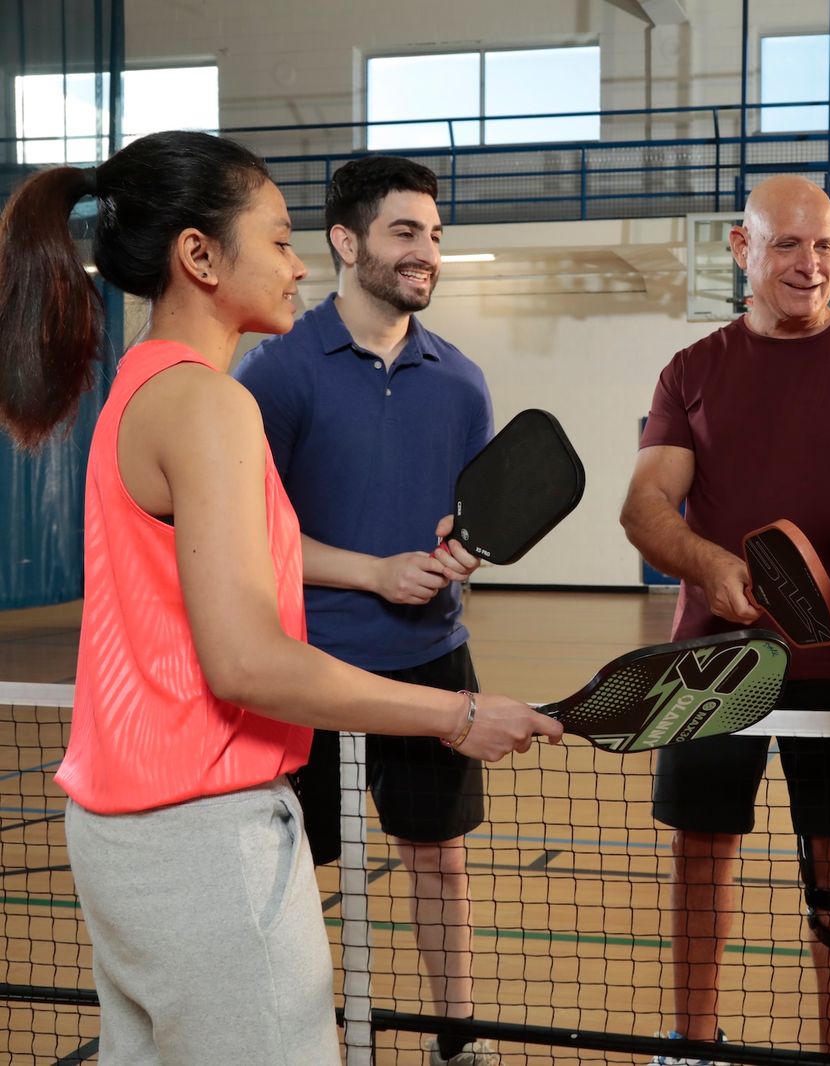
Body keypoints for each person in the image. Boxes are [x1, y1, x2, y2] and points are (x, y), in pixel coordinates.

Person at [0, 131, 560, 1066]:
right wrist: (457, 713)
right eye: (280, 238)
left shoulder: (144, 388)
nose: (299, 263)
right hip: (204, 842)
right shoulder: (210, 405)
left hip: (124, 831)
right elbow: (248, 662)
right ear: (200, 256)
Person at [619, 175, 830, 1064]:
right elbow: (646, 507)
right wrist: (711, 567)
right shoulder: (693, 371)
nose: (811, 264)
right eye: (788, 244)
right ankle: (693, 1041)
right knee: (700, 857)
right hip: (713, 659)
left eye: (826, 244)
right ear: (741, 246)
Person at [233, 155, 505, 1066]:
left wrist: (463, 552)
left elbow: (472, 524)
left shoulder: (461, 382)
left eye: (434, 233)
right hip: (307, 668)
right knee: (289, 875)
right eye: (405, 231)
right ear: (346, 242)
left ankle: (456, 1040)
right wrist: (374, 574)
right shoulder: (276, 372)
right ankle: (300, 1037)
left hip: (434, 659)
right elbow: (246, 536)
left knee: (440, 860)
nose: (427, 251)